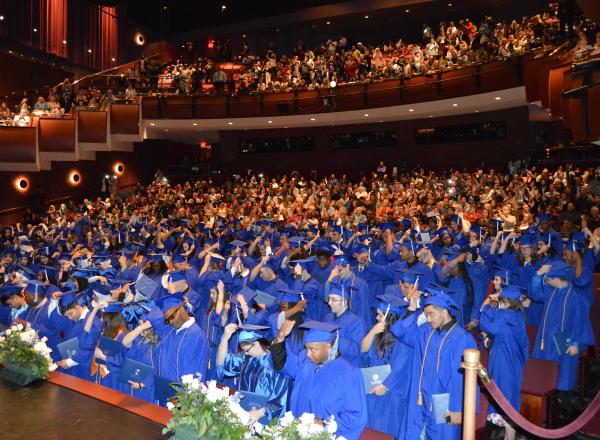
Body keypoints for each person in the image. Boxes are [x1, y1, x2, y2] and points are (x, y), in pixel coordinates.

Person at [271, 320, 368, 440]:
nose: (307, 354)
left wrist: (323, 423)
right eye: (306, 348)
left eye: (313, 349)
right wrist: (280, 338)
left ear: (330, 347)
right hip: (297, 432)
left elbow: (356, 417)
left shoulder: (349, 374)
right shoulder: (305, 362)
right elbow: (285, 367)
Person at [400, 291, 478, 440]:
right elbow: (402, 333)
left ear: (444, 311)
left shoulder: (462, 338)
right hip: (420, 401)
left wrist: (460, 411)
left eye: (431, 314)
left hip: (445, 405)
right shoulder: (427, 333)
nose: (428, 319)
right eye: (426, 315)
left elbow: (464, 380)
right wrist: (411, 309)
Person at [529, 261, 594, 391]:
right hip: (545, 337)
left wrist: (575, 343)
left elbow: (581, 322)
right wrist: (538, 275)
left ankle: (563, 403)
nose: (547, 281)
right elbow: (534, 293)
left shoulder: (576, 297)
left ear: (558, 279)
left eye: (549, 279)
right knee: (544, 373)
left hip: (563, 338)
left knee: (562, 374)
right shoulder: (551, 292)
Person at [361, 293, 413, 438]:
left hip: (392, 392)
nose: (376, 318)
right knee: (372, 427)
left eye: (379, 315)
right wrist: (373, 331)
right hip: (374, 387)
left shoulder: (402, 339)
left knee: (388, 427)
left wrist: (385, 386)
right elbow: (363, 349)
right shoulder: (378, 334)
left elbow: (401, 369)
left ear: (388, 318)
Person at [479, 285, 528, 437]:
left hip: (503, 361)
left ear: (506, 302)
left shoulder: (505, 315)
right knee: (509, 397)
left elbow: (485, 317)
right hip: (512, 359)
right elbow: (504, 335)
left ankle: (510, 435)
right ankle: (510, 435)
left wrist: (488, 300)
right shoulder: (517, 315)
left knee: (503, 396)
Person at [216, 323, 289, 424]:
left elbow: (281, 399)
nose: (246, 353)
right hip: (246, 415)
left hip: (266, 421)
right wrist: (225, 338)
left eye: (247, 350)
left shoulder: (275, 364)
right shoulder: (248, 359)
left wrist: (261, 412)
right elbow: (222, 363)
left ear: (257, 343)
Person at [153, 292, 210, 382]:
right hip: (164, 391)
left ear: (181, 308)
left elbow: (193, 373)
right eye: (167, 320)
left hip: (182, 394)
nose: (171, 321)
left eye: (172, 316)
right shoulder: (169, 333)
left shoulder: (196, 335)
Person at [57, 291, 102, 381]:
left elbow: (89, 348)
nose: (69, 318)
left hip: (83, 368)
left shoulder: (92, 321)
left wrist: (70, 362)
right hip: (70, 364)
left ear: (77, 306)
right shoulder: (75, 319)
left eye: (70, 313)